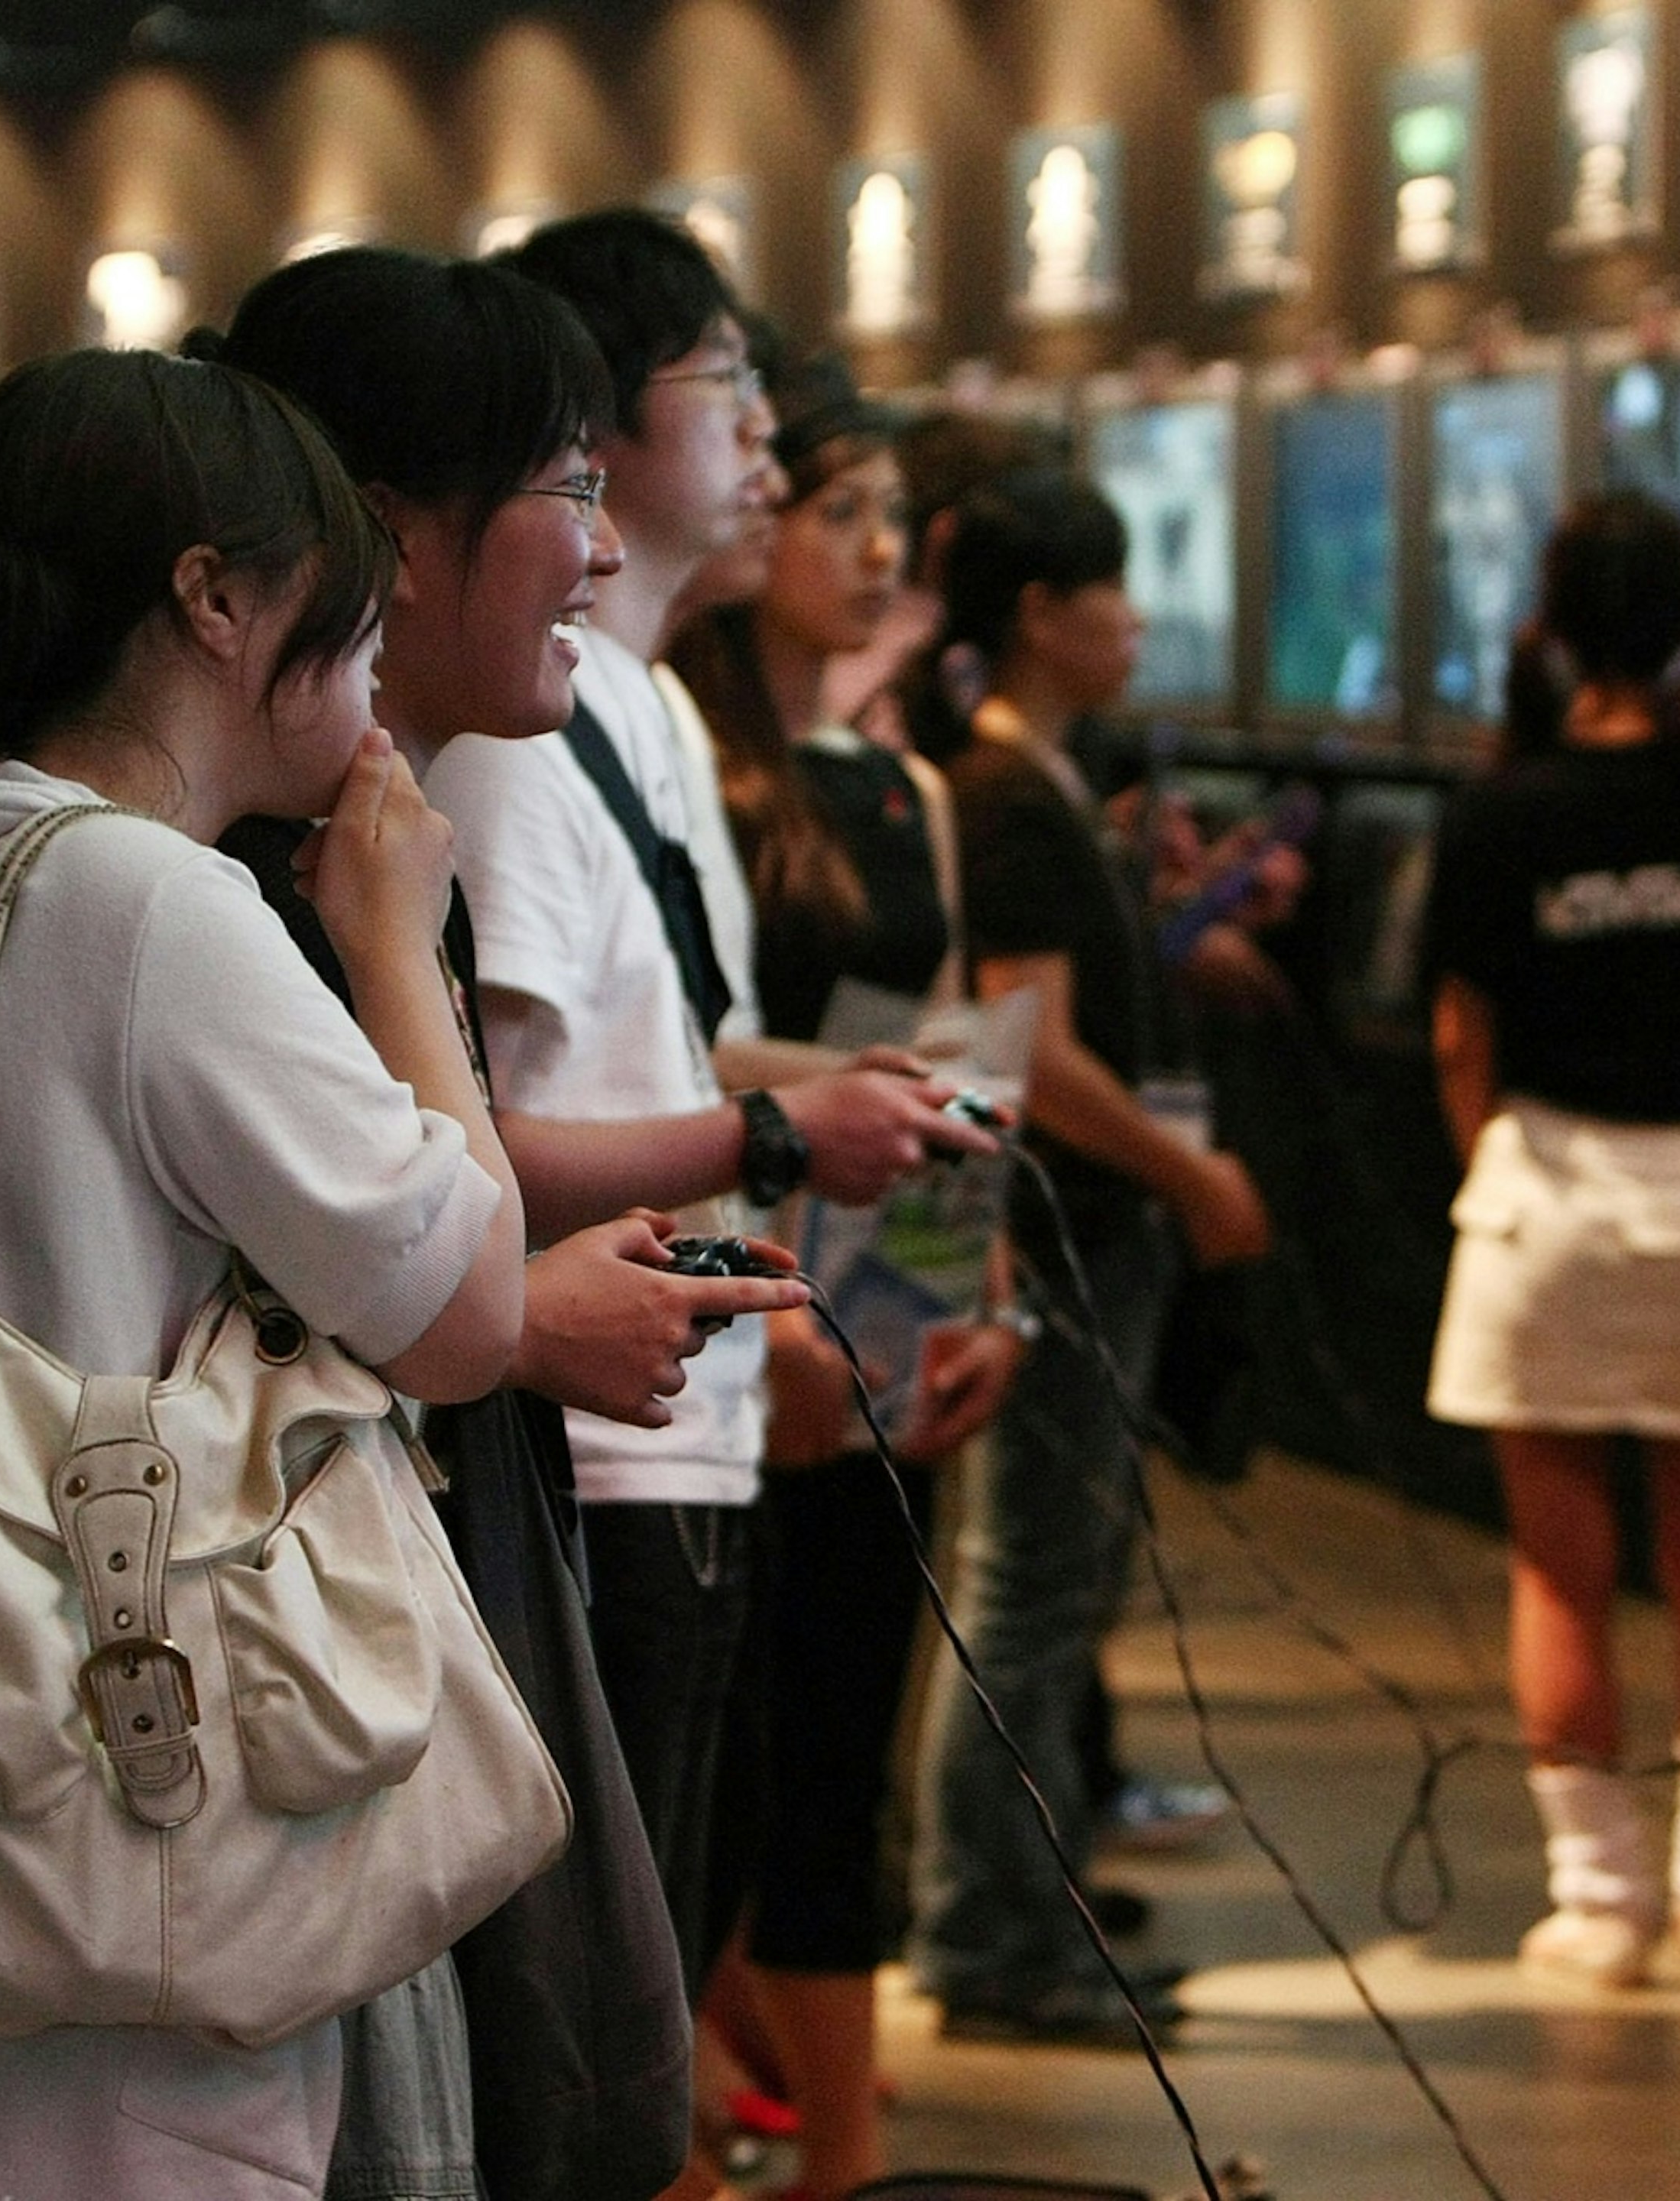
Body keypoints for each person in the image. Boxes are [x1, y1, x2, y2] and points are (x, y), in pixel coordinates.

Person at [0, 346, 545, 2201]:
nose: (380, 662)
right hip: (121, 1903)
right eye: (352, 600)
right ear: (218, 599)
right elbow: (470, 1311)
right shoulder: (146, 904)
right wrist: (395, 944)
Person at [208, 248, 808, 2201]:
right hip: (317, 1696)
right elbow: (427, 1298)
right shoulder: (244, 895)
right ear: (387, 529)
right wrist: (528, 1315)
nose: (597, 548)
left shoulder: (383, 846)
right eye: (562, 488)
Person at [673, 348, 1027, 2195]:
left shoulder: (905, 789)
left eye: (893, 516)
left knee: (839, 1737)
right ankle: (733, 2098)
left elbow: (950, 1046)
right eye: (839, 510)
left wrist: (974, 1301)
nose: (876, 550)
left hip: (884, 1327)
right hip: (725, 1321)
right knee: (718, 1745)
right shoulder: (682, 759)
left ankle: (842, 2145)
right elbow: (671, 1060)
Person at [903, 467, 1270, 2048]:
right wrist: (1186, 1172)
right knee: (1030, 1588)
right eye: (1112, 591)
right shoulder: (1002, 800)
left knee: (1052, 1581)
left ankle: (1020, 1905)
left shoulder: (1044, 790)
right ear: (1041, 618)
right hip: (1054, 1240)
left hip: (1074, 1238)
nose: (1136, 620)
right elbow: (1029, 1051)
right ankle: (987, 1937)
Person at [1419, 492, 1680, 1985]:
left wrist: (1500, 1167)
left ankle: (1600, 1902)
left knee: (1557, 1566)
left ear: (1555, 622)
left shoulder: (1502, 809)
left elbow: (1464, 1032)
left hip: (1547, 1201)